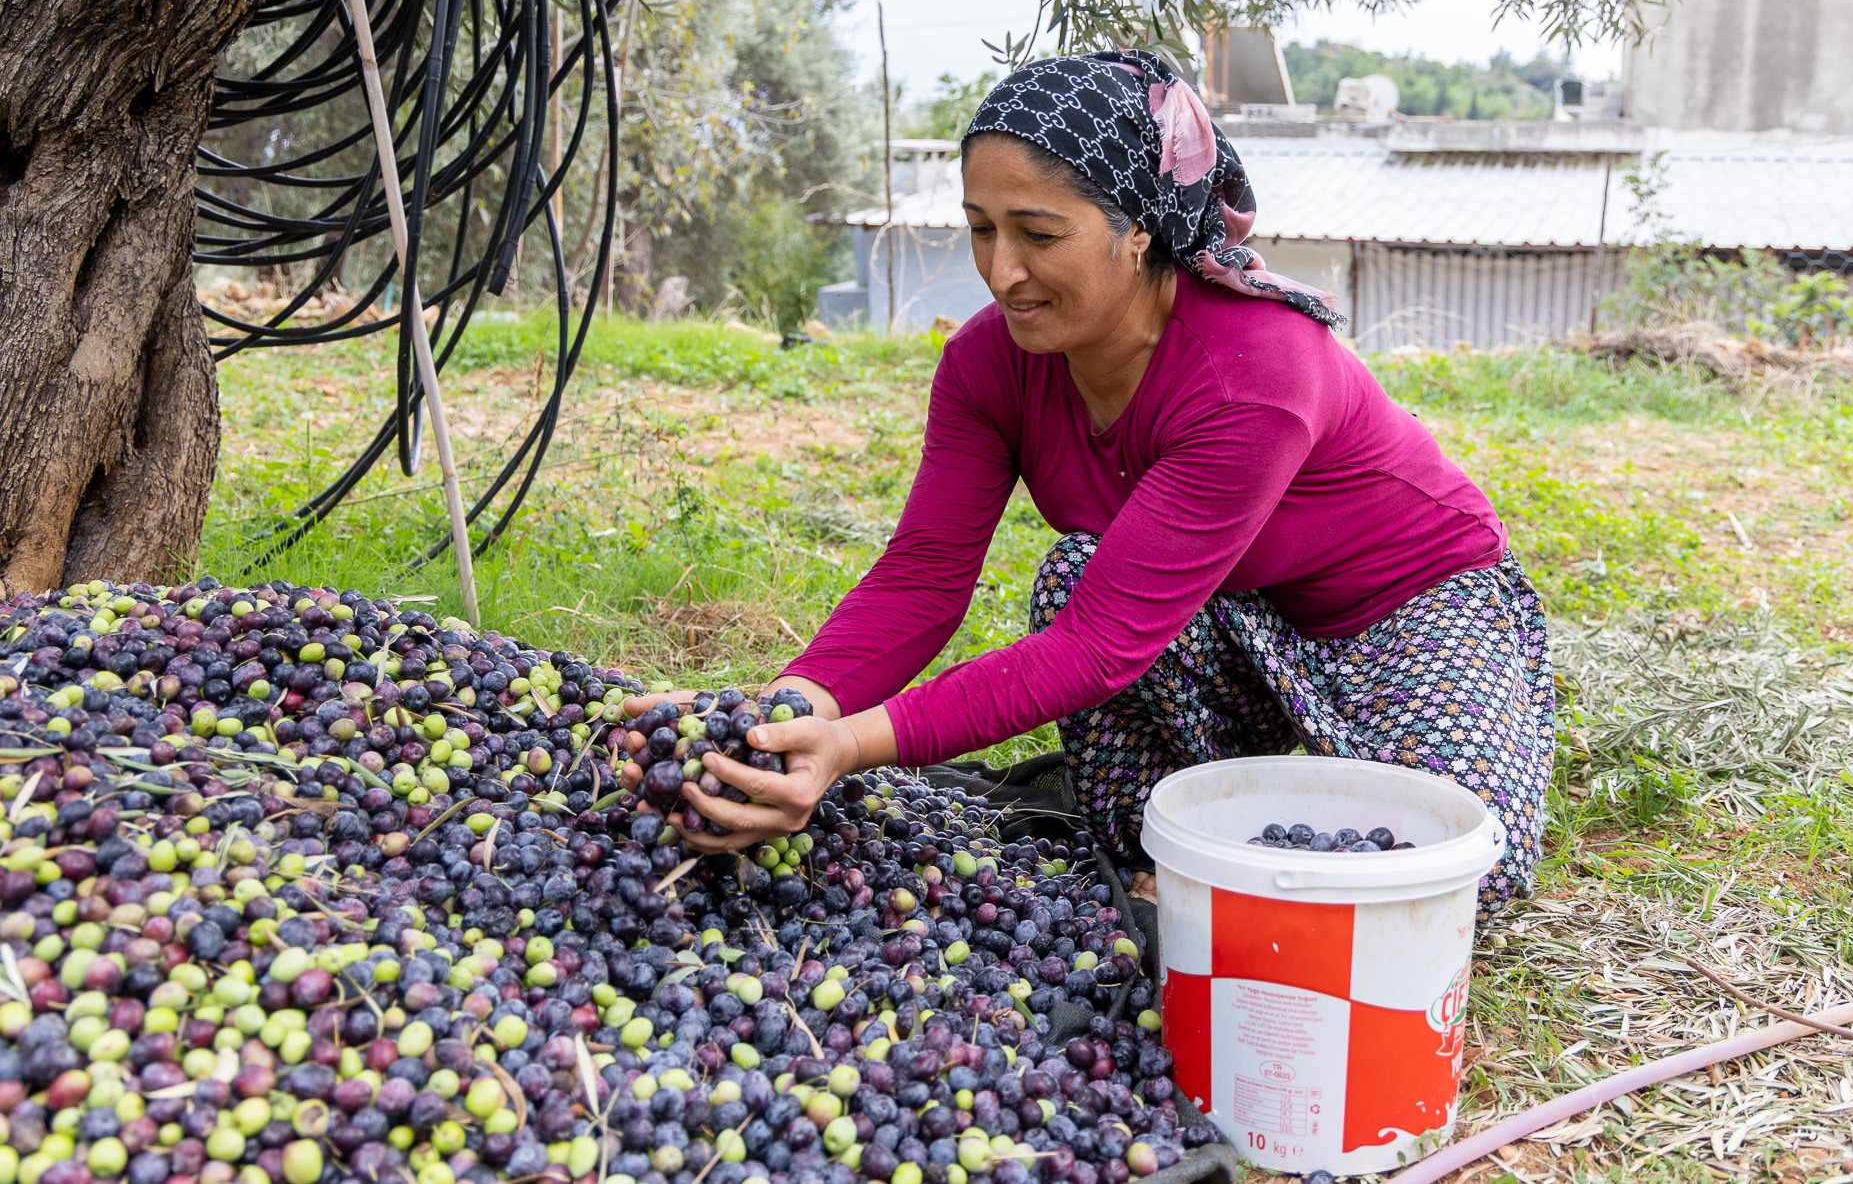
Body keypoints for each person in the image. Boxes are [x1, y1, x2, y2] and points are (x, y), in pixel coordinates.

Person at [625, 50, 1555, 913]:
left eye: (1038, 233)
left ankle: (1260, 829)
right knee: (1081, 569)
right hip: (1227, 609)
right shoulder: (991, 365)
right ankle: (1178, 847)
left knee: (1464, 870)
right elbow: (925, 572)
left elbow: (1103, 646)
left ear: (1138, 229)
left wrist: (855, 749)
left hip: (1406, 603)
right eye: (981, 229)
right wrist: (789, 713)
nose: (1001, 271)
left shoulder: (1255, 369)